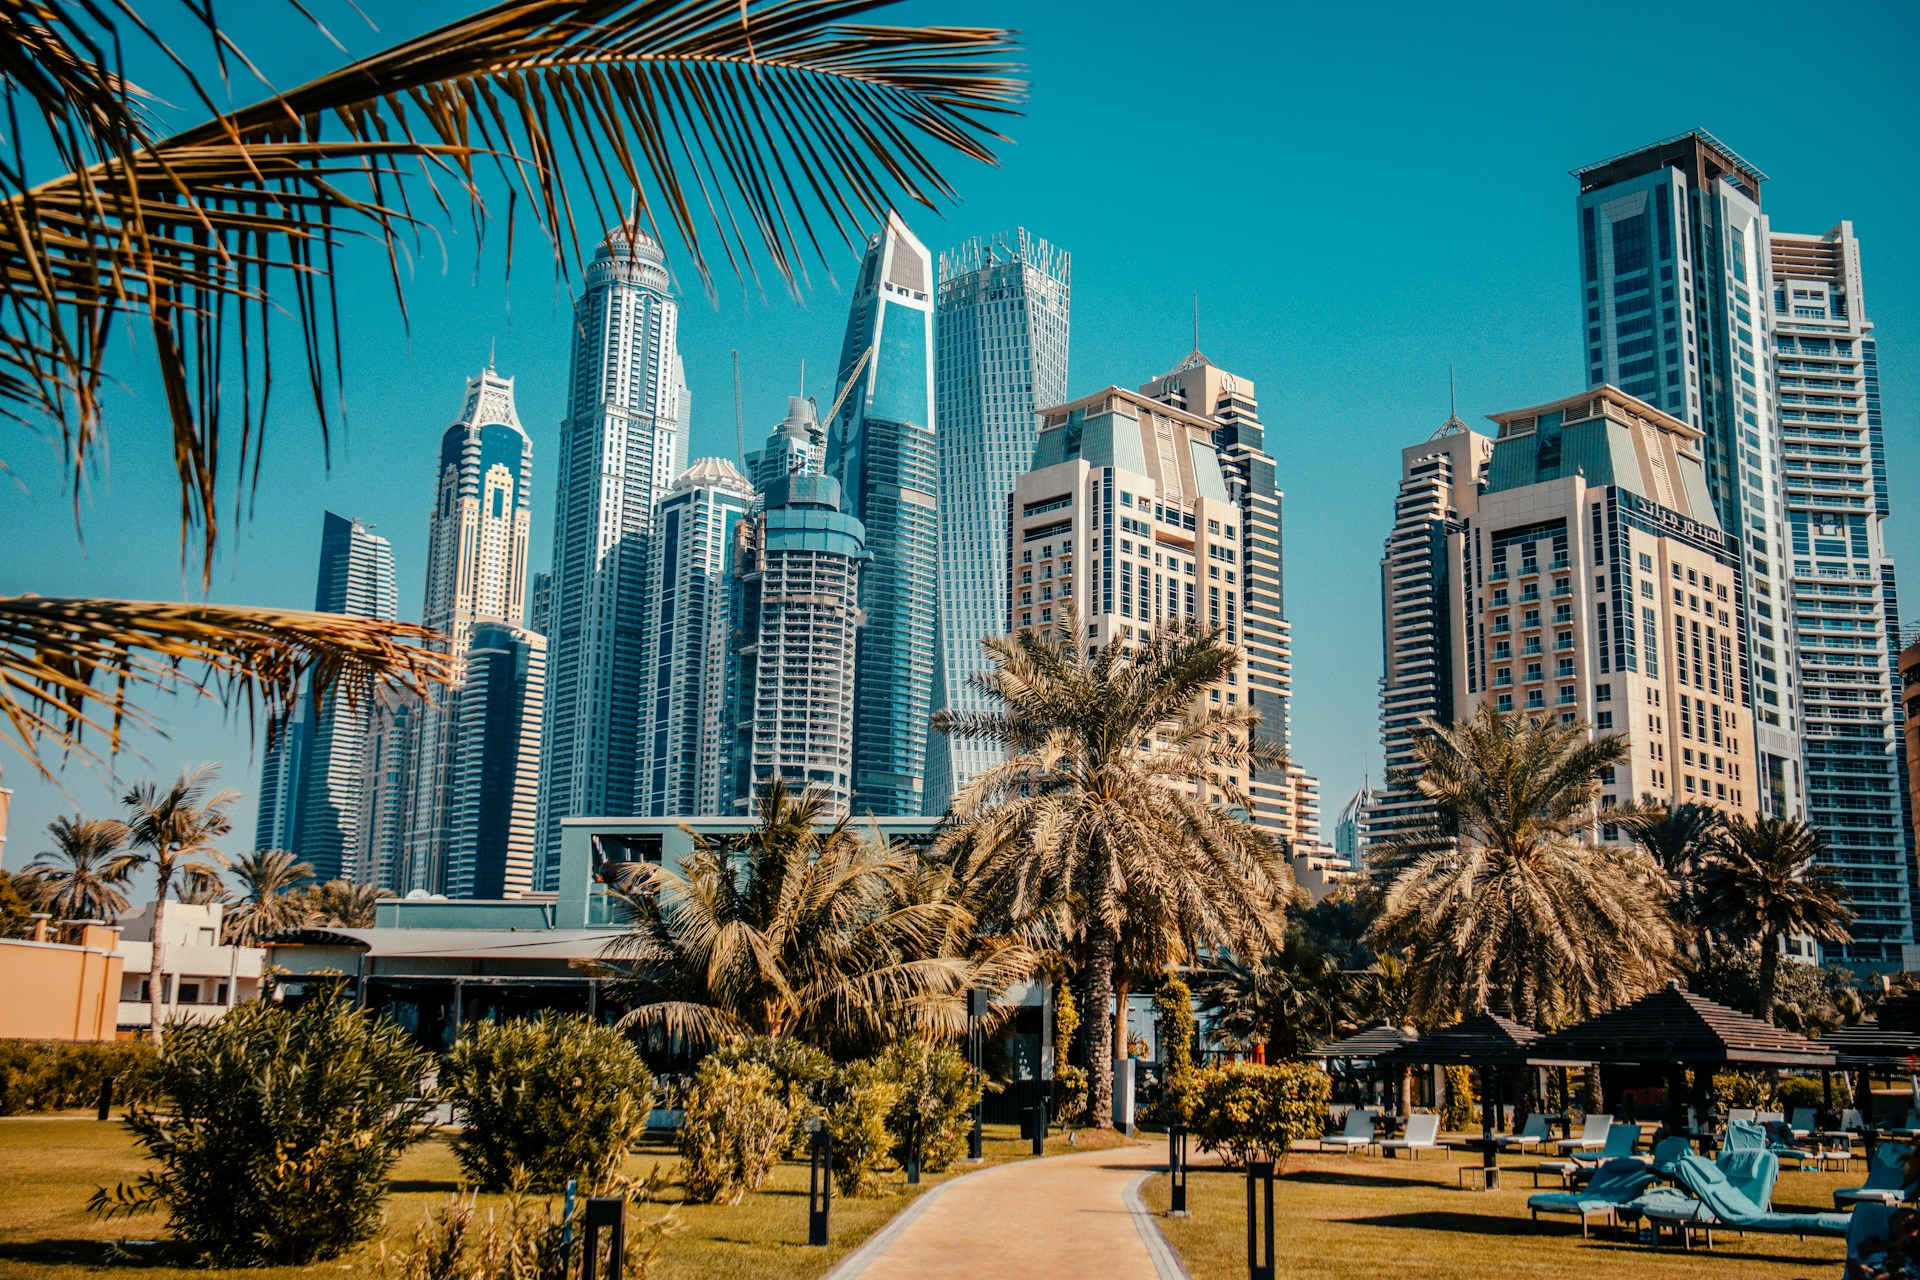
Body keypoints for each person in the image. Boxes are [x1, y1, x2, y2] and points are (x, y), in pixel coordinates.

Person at [1851, 1207, 1920, 1280]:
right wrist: (1896, 1244)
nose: (1908, 1225)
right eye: (1903, 1220)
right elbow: (1861, 1249)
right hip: (1873, 1268)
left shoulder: (1913, 1243)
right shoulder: (1878, 1241)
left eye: (1913, 1223)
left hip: (1901, 1272)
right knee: (1852, 1261)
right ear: (1891, 1221)